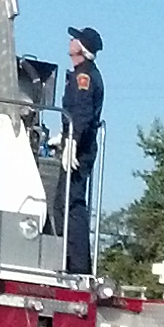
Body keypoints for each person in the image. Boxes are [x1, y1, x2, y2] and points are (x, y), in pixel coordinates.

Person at [59, 25, 105, 277]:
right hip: (75, 143)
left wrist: (74, 140)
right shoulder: (80, 74)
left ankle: (77, 266)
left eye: (75, 39)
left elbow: (83, 111)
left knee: (71, 203)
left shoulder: (84, 77)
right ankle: (68, 259)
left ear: (82, 48)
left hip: (81, 148)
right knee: (62, 203)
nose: (70, 40)